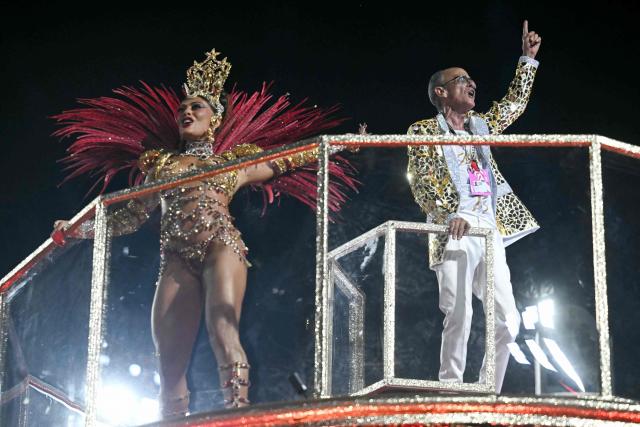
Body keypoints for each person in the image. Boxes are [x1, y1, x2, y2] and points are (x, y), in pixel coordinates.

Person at [52, 49, 357, 417]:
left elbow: (288, 158)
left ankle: (237, 414)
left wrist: (338, 144)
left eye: (197, 107)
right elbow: (130, 217)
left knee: (223, 332)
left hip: (220, 248)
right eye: (182, 109)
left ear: (214, 119)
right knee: (168, 365)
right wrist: (80, 229)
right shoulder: (161, 164)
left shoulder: (232, 162)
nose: (186, 112)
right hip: (175, 260)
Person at [406, 21, 542, 392]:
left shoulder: (480, 126)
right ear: (441, 92)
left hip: (489, 226)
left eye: (471, 79)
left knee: (508, 320)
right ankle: (452, 391)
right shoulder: (422, 131)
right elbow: (420, 181)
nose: (472, 83)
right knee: (460, 312)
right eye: (461, 79)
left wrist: (527, 62)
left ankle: (487, 392)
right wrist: (450, 214)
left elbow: (512, 106)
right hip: (453, 227)